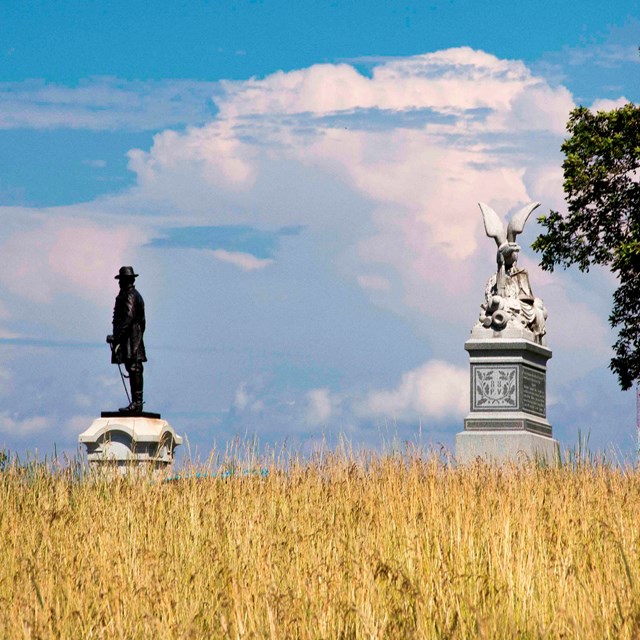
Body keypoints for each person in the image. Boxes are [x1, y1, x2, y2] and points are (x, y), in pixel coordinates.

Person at [107, 266, 147, 414]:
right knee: (133, 369)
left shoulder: (130, 296)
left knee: (134, 369)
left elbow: (128, 318)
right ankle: (136, 402)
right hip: (132, 338)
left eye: (121, 280)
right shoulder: (133, 295)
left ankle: (137, 403)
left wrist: (117, 337)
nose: (119, 283)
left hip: (131, 340)